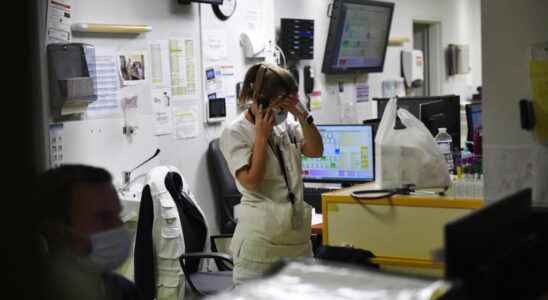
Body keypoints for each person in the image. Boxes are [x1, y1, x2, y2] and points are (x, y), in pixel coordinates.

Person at [219, 63, 324, 284]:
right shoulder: (235, 132)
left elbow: (315, 150)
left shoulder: (286, 125)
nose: (283, 112)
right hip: (260, 248)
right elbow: (252, 182)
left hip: (297, 244)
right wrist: (260, 137)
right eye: (280, 105)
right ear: (259, 100)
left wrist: (303, 115)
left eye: (288, 104)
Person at [36, 164, 141, 300]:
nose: (118, 227)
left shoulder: (126, 292)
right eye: (103, 217)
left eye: (118, 215)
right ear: (56, 231)